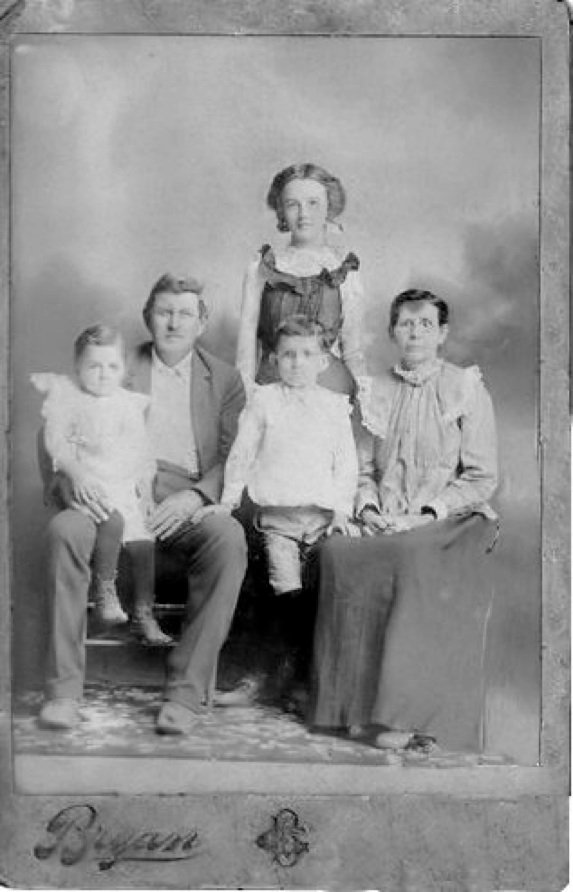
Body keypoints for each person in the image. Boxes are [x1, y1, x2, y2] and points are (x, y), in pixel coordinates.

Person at [37, 273, 247, 735]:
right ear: (147, 316)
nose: (174, 322)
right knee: (65, 531)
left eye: (185, 313)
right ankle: (64, 691)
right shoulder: (112, 361)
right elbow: (58, 424)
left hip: (184, 492)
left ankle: (185, 693)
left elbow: (234, 455)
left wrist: (195, 496)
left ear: (201, 321)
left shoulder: (225, 378)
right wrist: (76, 482)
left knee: (227, 539)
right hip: (108, 489)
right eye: (164, 311)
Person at [310, 289, 499, 753]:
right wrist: (370, 510)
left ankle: (403, 716)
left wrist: (425, 515)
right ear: (393, 332)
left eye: (425, 324)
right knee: (337, 553)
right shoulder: (375, 391)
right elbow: (363, 471)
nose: (415, 333)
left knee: (410, 555)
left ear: (442, 334)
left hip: (451, 519)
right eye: (406, 324)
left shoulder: (465, 387)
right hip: (389, 517)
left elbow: (481, 478)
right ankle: (352, 710)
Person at [31, 324, 171, 647]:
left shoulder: (129, 404)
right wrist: (77, 473)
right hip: (87, 483)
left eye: (112, 366)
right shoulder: (68, 401)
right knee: (112, 519)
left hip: (122, 484)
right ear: (78, 367)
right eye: (94, 366)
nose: (104, 374)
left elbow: (142, 452)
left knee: (143, 541)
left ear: (123, 369)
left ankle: (143, 613)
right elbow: (56, 445)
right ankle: (104, 593)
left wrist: (145, 489)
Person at [213, 315, 359, 595]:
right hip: (277, 521)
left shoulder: (334, 406)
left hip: (322, 520)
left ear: (323, 362)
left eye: (307, 354)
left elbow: (346, 463)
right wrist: (229, 500)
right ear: (274, 360)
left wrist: (342, 511)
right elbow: (242, 454)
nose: (297, 362)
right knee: (285, 586)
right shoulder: (264, 400)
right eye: (288, 354)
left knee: (326, 586)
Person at [235, 162, 367, 399]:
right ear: (281, 211)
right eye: (292, 204)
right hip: (272, 394)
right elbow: (246, 347)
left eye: (313, 203)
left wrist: (362, 402)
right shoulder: (261, 268)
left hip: (331, 394)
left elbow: (353, 351)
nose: (304, 214)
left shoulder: (345, 271)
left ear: (329, 208)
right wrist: (245, 398)